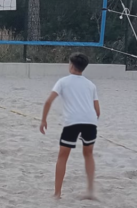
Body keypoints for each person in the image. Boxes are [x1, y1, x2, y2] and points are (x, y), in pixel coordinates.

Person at [39, 53, 100, 200]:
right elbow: (97, 111)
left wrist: (43, 120)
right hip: (90, 121)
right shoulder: (91, 85)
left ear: (71, 65)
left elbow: (48, 102)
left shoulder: (63, 81)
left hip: (72, 121)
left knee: (62, 156)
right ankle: (90, 190)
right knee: (88, 154)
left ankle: (57, 194)